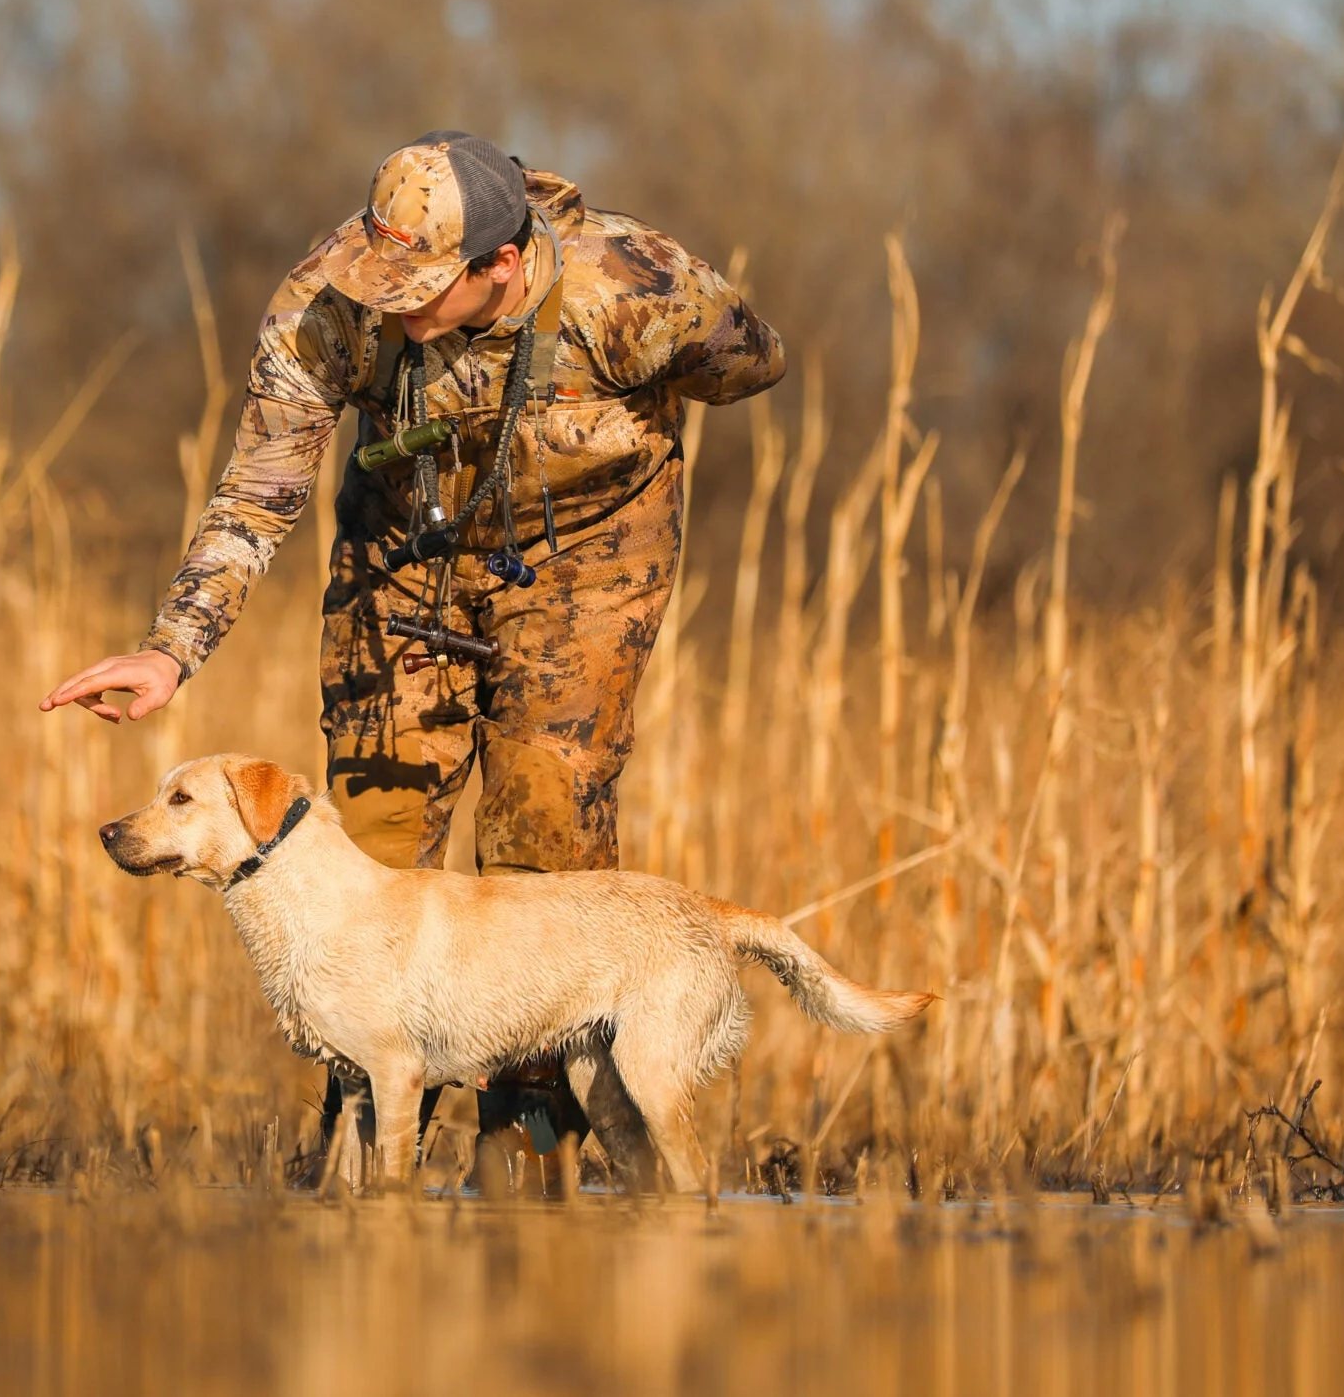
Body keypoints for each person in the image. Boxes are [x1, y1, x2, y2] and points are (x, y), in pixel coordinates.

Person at [39, 130, 786, 1186]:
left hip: (585, 567)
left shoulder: (630, 284)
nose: (390, 302)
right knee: (364, 841)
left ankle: (529, 1160)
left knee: (546, 830)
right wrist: (171, 652)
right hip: (405, 561)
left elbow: (756, 361)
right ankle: (356, 1155)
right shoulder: (329, 302)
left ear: (503, 264)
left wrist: (628, 400)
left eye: (419, 287)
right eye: (379, 276)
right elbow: (259, 490)